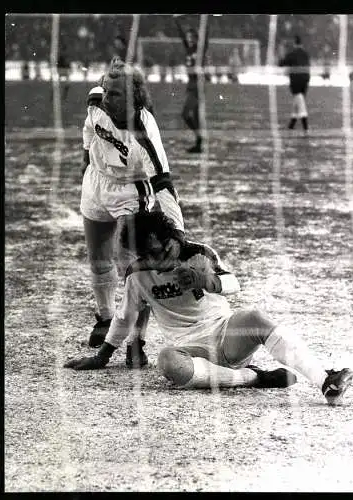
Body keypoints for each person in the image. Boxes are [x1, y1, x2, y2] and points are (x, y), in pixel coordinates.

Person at [64, 212, 353, 406]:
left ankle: (324, 381)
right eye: (151, 253)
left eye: (164, 246)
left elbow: (234, 282)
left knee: (254, 316)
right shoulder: (137, 274)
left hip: (227, 335)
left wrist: (206, 280)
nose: (161, 255)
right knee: (166, 361)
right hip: (190, 352)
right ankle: (255, 378)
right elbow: (125, 316)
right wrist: (102, 355)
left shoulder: (200, 252)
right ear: (141, 254)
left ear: (172, 238)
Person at [80, 56, 185, 368]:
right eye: (106, 90)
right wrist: (86, 160)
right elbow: (89, 129)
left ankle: (136, 341)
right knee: (98, 258)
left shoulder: (144, 134)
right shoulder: (95, 101)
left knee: (135, 268)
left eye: (115, 93)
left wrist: (176, 231)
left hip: (131, 190)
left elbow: (164, 182)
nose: (106, 96)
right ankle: (105, 317)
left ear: (133, 97)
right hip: (96, 182)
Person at [173, 14, 209, 153]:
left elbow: (206, 36)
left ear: (195, 38)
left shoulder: (200, 49)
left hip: (198, 85)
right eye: (188, 37)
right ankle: (199, 145)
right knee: (195, 116)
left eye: (191, 37)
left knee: (186, 114)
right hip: (191, 85)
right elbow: (181, 35)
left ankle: (200, 138)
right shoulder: (188, 49)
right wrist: (176, 21)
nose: (189, 39)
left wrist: (206, 19)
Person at [278, 35, 310, 133]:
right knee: (299, 100)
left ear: (294, 43)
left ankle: (305, 124)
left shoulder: (292, 54)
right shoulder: (306, 54)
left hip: (295, 81)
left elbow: (281, 63)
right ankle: (291, 125)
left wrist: (281, 52)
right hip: (305, 80)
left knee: (299, 100)